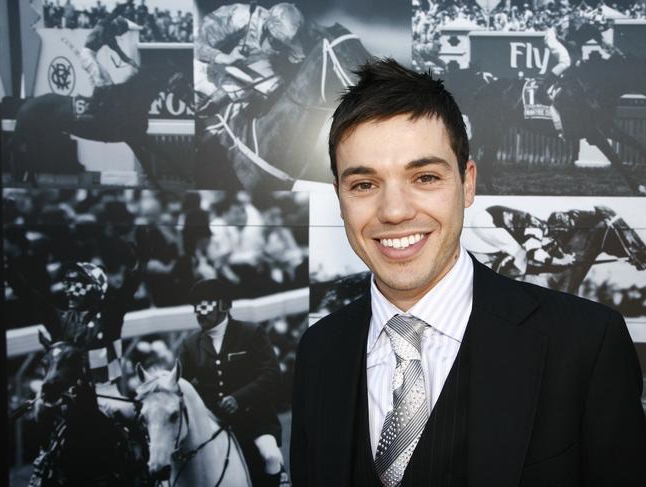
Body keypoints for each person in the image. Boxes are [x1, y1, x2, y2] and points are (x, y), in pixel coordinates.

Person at [290, 58, 646, 486]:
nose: (395, 211)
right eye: (364, 184)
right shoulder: (319, 351)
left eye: (424, 177)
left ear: (468, 183)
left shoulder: (587, 344)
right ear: (341, 197)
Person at [179, 279, 289, 486]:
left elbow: (271, 374)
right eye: (196, 308)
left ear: (223, 306)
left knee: (271, 456)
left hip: (254, 420)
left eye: (204, 306)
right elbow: (177, 381)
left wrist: (239, 398)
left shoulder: (252, 333)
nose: (199, 313)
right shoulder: (190, 345)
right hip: (215, 424)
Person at [194, 2, 305, 115]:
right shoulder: (239, 17)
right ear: (266, 28)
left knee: (275, 89)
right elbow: (195, 44)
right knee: (235, 87)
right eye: (275, 42)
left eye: (283, 46)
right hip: (201, 58)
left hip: (244, 63)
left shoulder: (289, 39)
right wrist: (223, 57)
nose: (277, 50)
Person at [79, 1, 140, 90]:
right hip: (86, 55)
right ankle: (95, 102)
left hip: (92, 56)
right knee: (98, 78)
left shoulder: (110, 39)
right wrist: (128, 3)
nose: (120, 35)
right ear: (118, 27)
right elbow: (116, 12)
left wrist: (133, 64)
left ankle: (104, 101)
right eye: (121, 32)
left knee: (108, 81)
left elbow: (121, 54)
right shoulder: (105, 24)